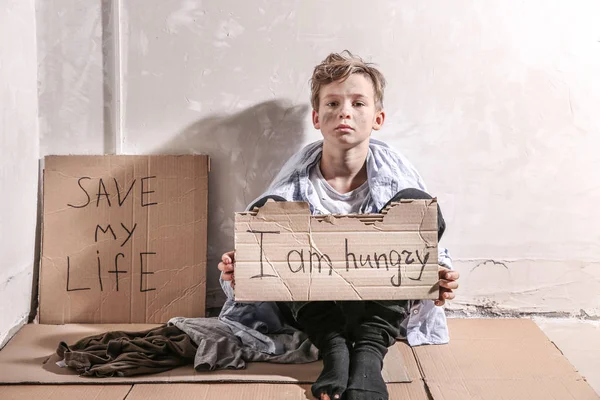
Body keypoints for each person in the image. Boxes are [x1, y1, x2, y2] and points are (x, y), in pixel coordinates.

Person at [218, 51, 459, 400]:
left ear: (378, 118)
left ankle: (369, 352)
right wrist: (243, 267)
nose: (344, 111)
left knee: (418, 205)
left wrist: (437, 273)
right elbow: (261, 258)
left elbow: (428, 250)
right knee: (273, 213)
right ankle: (334, 349)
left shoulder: (397, 176)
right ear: (317, 118)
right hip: (315, 310)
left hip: (376, 309)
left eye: (358, 103)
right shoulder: (295, 184)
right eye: (332, 103)